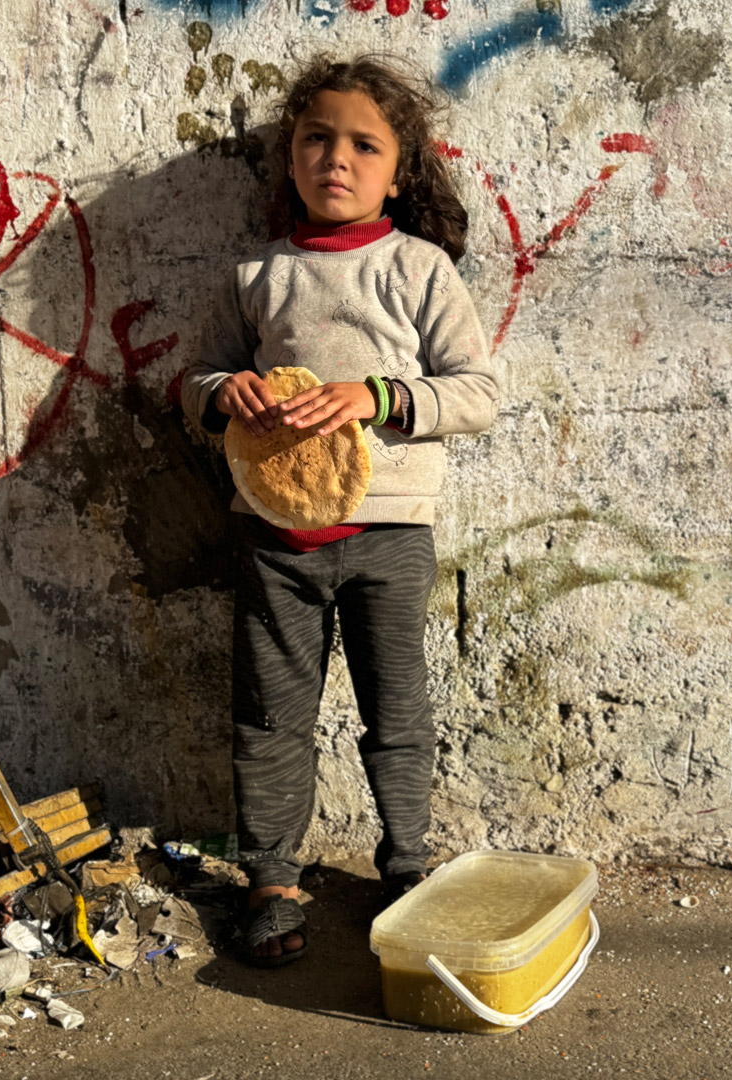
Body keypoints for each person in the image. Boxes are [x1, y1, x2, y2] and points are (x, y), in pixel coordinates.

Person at [178, 54, 498, 968]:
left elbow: (476, 393)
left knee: (396, 709)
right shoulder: (258, 277)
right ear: (290, 157)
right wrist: (221, 393)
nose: (337, 160)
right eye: (317, 139)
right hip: (274, 538)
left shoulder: (418, 269)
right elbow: (193, 381)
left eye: (365, 145)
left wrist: (377, 399)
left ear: (399, 172)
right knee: (272, 716)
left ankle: (405, 867)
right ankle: (273, 878)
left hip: (391, 536)